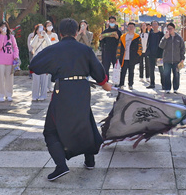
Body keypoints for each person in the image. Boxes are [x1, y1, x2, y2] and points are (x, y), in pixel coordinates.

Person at [29, 18, 112, 181]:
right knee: (84, 122)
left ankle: (61, 165)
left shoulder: (55, 49)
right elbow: (98, 71)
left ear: (59, 33)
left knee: (51, 130)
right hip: (82, 88)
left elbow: (35, 65)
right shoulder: (85, 50)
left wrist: (52, 68)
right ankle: (90, 160)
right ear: (76, 32)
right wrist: (104, 82)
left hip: (63, 90)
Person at [30, 22, 57, 101]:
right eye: (39, 29)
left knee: (44, 79)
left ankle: (43, 95)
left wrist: (45, 35)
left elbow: (50, 45)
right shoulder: (34, 37)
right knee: (36, 79)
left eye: (42, 28)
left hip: (44, 60)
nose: (41, 30)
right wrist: (37, 36)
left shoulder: (46, 38)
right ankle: (35, 95)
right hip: (36, 60)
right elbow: (32, 45)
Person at [0, 21, 19, 102]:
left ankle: (9, 94)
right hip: (0, 61)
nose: (3, 28)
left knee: (9, 79)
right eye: (1, 27)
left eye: (4, 27)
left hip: (10, 60)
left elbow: (15, 47)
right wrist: (2, 36)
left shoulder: (11, 37)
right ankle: (0, 95)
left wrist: (16, 56)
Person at [159, 23, 185, 94]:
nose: (169, 30)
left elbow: (182, 48)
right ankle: (167, 88)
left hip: (177, 60)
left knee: (176, 74)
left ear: (174, 29)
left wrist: (182, 58)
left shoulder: (179, 38)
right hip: (167, 60)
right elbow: (161, 46)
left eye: (171, 29)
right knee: (166, 74)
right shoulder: (165, 37)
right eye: (168, 29)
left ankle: (175, 88)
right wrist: (165, 38)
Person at [116, 22, 142, 89]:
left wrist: (138, 55)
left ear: (134, 28)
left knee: (131, 71)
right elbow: (119, 46)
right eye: (129, 27)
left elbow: (140, 47)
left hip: (132, 57)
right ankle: (121, 84)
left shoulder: (137, 37)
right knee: (123, 71)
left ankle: (130, 85)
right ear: (127, 28)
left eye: (132, 27)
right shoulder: (123, 37)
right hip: (124, 57)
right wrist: (118, 56)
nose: (131, 28)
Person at [144, 20, 163, 89]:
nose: (155, 26)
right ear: (151, 26)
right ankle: (152, 84)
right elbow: (148, 43)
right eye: (153, 25)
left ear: (158, 25)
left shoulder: (161, 34)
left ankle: (163, 84)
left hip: (159, 55)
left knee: (161, 70)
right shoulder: (150, 34)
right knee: (151, 69)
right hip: (151, 54)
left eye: (156, 24)